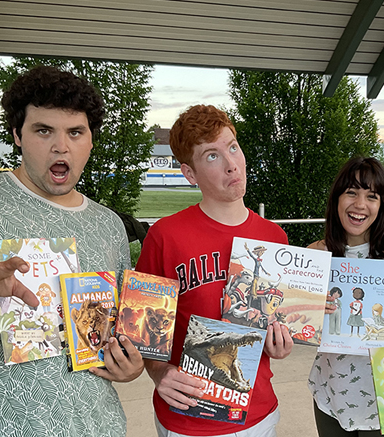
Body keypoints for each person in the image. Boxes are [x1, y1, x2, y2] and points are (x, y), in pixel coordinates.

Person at [0, 65, 144, 436]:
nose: (61, 146)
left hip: (94, 426)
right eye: (44, 131)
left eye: (75, 132)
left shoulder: (108, 226)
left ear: (90, 140)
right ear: (17, 135)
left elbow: (113, 336)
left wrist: (129, 366)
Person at [135, 104, 294, 437]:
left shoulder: (274, 239)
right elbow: (143, 336)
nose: (231, 164)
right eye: (211, 156)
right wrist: (159, 373)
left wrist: (278, 343)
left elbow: (273, 323)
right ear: (189, 174)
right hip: (188, 418)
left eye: (232, 147)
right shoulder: (165, 235)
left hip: (258, 415)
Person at [307, 156, 384, 436]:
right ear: (337, 198)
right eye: (351, 193)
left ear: (381, 205)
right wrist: (311, 312)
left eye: (371, 196)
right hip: (331, 390)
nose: (360, 205)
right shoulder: (316, 254)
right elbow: (301, 329)